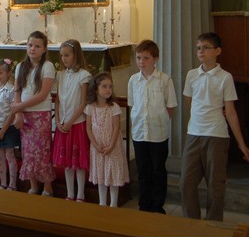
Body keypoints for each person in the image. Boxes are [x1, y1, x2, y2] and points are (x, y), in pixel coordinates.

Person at [181, 32, 249, 221]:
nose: (201, 51)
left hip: (216, 135)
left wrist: (241, 144)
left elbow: (230, 112)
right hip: (194, 134)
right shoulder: (192, 75)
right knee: (186, 183)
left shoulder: (225, 77)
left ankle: (213, 226)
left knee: (215, 186)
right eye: (198, 48)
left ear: (217, 51)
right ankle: (191, 223)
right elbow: (189, 102)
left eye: (206, 48)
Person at [128, 39, 177, 214]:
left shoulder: (164, 80)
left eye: (146, 58)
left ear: (155, 59)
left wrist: (159, 120)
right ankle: (144, 204)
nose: (141, 62)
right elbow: (132, 104)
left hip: (158, 134)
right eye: (138, 58)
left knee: (158, 170)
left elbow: (170, 106)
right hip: (140, 133)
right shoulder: (133, 80)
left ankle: (157, 205)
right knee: (143, 170)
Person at [5, 30, 56, 196]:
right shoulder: (21, 66)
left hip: (41, 114)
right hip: (25, 115)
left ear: (44, 49)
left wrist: (18, 107)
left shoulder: (48, 66)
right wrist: (19, 114)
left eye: (37, 46)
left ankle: (47, 186)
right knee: (28, 152)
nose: (33, 48)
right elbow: (17, 91)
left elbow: (42, 94)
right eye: (30, 45)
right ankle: (34, 185)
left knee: (42, 150)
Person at [52, 39, 91, 202]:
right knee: (67, 162)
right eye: (62, 56)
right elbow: (57, 100)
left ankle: (80, 194)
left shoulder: (84, 75)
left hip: (77, 123)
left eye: (67, 55)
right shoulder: (60, 75)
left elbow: (83, 102)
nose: (64, 59)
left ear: (76, 55)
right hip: (62, 123)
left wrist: (70, 121)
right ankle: (70, 193)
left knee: (78, 162)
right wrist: (58, 120)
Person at [85, 72, 129, 207]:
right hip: (98, 147)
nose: (108, 89)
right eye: (104, 86)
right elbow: (88, 128)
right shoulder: (90, 107)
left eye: (110, 86)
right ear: (96, 89)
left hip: (112, 147)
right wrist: (95, 145)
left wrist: (111, 146)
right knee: (101, 175)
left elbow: (116, 128)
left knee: (112, 176)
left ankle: (113, 205)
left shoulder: (114, 107)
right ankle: (102, 203)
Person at [0, 59, 22, 191]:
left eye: (0, 73)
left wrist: (3, 131)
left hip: (8, 127)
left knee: (10, 155)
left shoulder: (12, 90)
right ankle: (3, 183)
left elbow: (13, 112)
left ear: (8, 73)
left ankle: (12, 184)